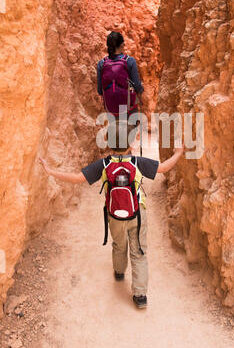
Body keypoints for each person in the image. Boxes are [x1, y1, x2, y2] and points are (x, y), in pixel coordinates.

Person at [39, 123, 185, 309]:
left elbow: (77, 178)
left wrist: (50, 170)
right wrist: (178, 153)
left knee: (118, 244)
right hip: (137, 214)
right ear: (131, 141)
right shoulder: (137, 163)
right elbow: (163, 168)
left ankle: (118, 271)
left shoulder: (104, 165)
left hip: (114, 214)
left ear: (108, 142)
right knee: (139, 252)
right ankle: (140, 296)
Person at [97, 32, 144, 118]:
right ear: (122, 44)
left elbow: (100, 90)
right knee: (131, 128)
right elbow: (136, 86)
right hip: (128, 108)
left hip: (110, 108)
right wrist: (141, 91)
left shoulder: (101, 63)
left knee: (114, 129)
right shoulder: (129, 61)